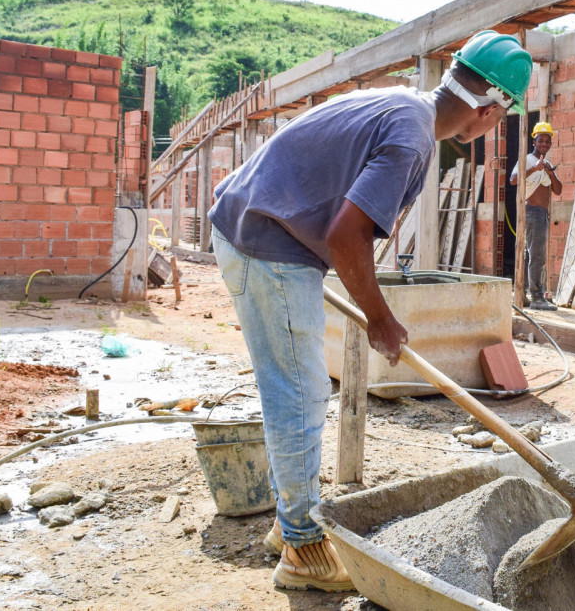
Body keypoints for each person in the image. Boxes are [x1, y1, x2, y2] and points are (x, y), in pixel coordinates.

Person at [207, 31, 532, 593]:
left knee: (292, 384)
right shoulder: (412, 140)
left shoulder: (402, 102)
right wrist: (380, 318)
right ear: (486, 112)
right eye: (500, 118)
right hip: (267, 240)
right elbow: (346, 235)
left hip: (251, 225)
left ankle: (289, 521)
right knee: (301, 390)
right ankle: (304, 547)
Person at [509, 121, 563, 310]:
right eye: (541, 141)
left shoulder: (546, 164)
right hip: (532, 212)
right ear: (534, 140)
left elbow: (558, 190)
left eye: (547, 141)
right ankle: (537, 297)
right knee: (536, 256)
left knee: (529, 255)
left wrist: (550, 172)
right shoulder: (528, 160)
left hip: (541, 214)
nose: (544, 144)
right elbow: (513, 180)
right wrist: (535, 169)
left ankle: (522, 295)